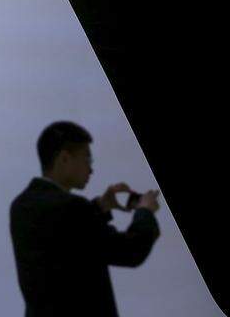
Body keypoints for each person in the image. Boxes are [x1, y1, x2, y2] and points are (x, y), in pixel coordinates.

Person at [10, 121, 160, 317]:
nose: (91, 169)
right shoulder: (72, 208)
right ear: (64, 159)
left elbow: (68, 240)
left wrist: (100, 206)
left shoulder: (21, 205)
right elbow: (131, 251)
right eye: (87, 159)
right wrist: (145, 211)